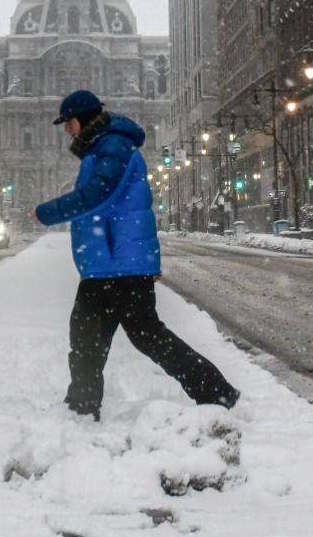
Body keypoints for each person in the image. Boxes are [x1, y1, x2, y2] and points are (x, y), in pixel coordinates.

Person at [35, 89, 240, 420]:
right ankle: (214, 391)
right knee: (115, 337)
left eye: (67, 124)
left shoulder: (111, 146)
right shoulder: (105, 146)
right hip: (114, 264)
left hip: (114, 266)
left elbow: (98, 195)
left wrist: (48, 212)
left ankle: (85, 407)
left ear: (78, 121)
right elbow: (127, 208)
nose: (65, 131)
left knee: (109, 337)